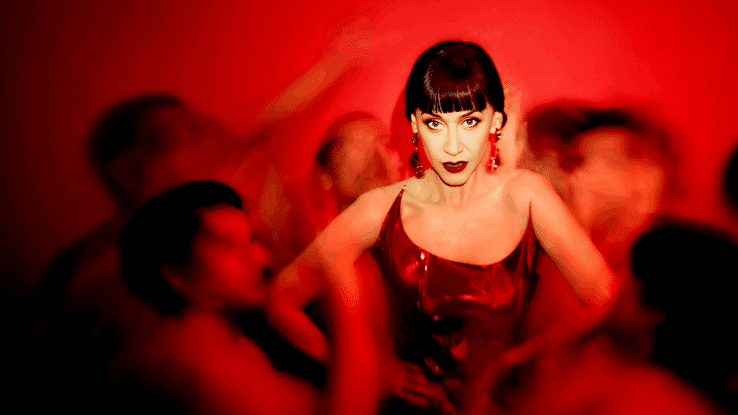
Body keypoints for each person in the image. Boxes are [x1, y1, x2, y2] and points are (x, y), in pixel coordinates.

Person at [267, 41, 617, 414]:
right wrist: (376, 371)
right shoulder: (380, 209)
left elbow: (603, 296)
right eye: (436, 124)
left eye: (471, 122)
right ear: (416, 128)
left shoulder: (527, 193)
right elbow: (281, 300)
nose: (453, 145)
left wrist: (522, 357)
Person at [115, 181, 376, 415]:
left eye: (250, 239)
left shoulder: (235, 324)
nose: (262, 258)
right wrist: (346, 289)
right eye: (228, 244)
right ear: (176, 275)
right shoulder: (198, 366)